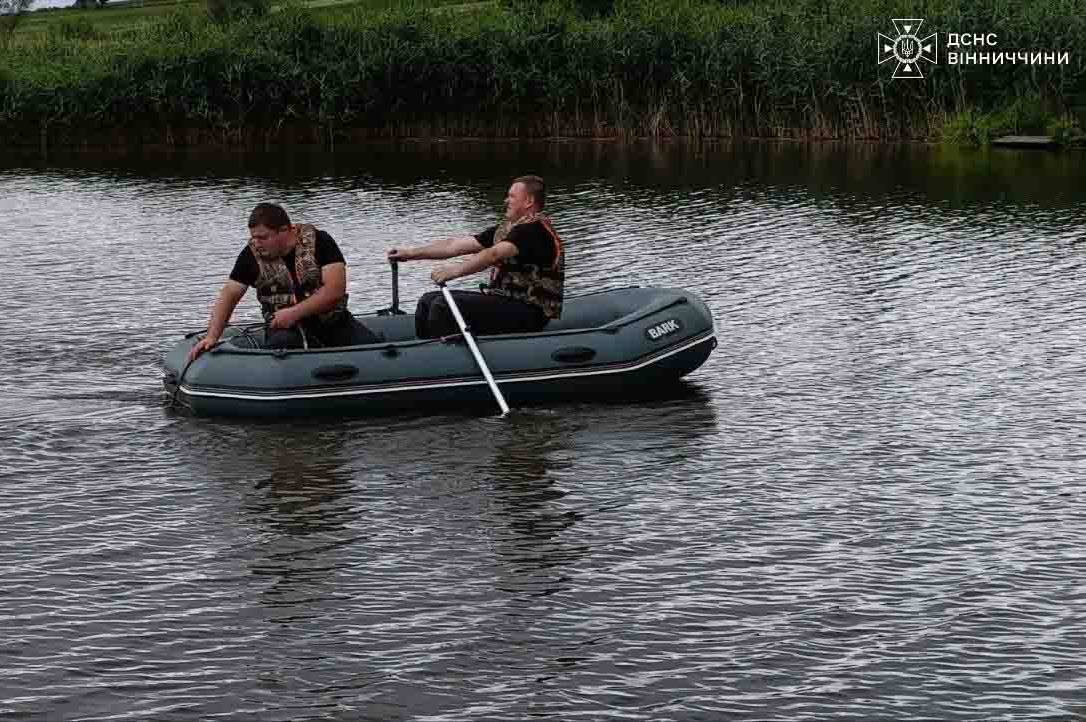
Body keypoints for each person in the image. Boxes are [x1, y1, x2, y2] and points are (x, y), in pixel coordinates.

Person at [186, 203, 378, 362]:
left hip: (333, 322)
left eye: (263, 237)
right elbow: (230, 293)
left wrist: (294, 313)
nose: (257, 243)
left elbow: (335, 290)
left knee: (375, 352)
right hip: (283, 330)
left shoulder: (321, 241)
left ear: (285, 231)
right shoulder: (251, 255)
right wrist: (212, 336)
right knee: (279, 353)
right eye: (254, 237)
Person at [388, 175, 564, 339]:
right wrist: (410, 254)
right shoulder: (507, 230)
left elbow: (493, 254)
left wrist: (454, 271)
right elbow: (453, 246)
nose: (506, 201)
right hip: (505, 300)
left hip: (529, 311)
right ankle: (424, 355)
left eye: (511, 196)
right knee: (427, 301)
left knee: (443, 306)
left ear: (529, 201)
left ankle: (447, 359)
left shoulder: (535, 231)